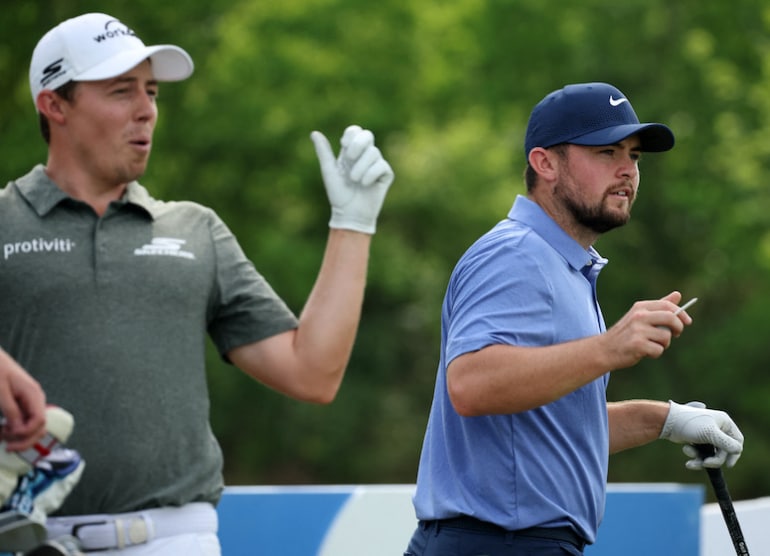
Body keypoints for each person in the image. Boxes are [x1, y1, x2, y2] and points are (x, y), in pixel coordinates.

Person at [0, 11, 393, 555]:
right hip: (28, 540)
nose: (146, 110)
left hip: (175, 540)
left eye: (151, 92)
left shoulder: (195, 229)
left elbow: (312, 372)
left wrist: (353, 224)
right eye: (121, 91)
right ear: (55, 105)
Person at [404, 82, 744, 556]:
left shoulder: (563, 265)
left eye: (634, 155)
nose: (627, 170)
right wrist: (610, 347)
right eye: (606, 152)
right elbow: (471, 384)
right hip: (497, 543)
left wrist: (667, 420)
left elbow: (553, 431)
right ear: (545, 164)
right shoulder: (515, 253)